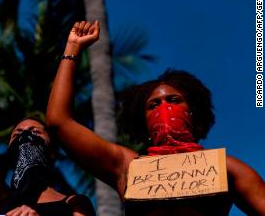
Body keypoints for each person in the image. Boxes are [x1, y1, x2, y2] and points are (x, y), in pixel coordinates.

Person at [46, 21, 265, 215]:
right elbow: (59, 122)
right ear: (143, 122)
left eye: (174, 100)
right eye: (154, 105)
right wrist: (73, 48)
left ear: (192, 112)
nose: (164, 108)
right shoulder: (127, 166)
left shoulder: (227, 166)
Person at [0, 117, 96, 216]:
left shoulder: (75, 203)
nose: (25, 137)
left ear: (52, 152)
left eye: (36, 133)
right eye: (17, 135)